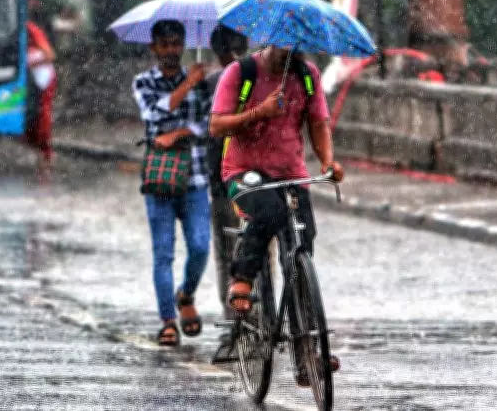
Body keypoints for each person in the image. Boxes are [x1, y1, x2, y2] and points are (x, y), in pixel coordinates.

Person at [209, 45, 344, 386]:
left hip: (291, 172)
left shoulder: (307, 75)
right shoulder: (241, 74)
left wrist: (327, 160)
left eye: (297, 45)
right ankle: (242, 276)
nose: (291, 51)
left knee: (301, 247)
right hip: (244, 172)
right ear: (270, 40)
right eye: (284, 44)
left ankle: (307, 353)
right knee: (268, 212)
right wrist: (259, 112)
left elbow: (318, 122)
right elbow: (217, 126)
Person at [132, 20, 210, 346]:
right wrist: (187, 85)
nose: (171, 50)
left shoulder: (201, 83)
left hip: (195, 177)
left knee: (200, 247)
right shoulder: (143, 82)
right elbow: (155, 115)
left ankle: (186, 293)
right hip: (160, 180)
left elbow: (209, 124)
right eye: (164, 44)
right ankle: (167, 320)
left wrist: (179, 133)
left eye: (176, 43)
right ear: (154, 47)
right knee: (163, 254)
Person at [201, 25, 248, 335]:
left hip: (223, 178)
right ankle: (259, 307)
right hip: (260, 175)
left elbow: (206, 131)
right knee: (256, 247)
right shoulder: (261, 79)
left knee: (227, 248)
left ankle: (233, 313)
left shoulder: (209, 85)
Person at [24, 0, 57, 167]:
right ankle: (40, 147)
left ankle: (45, 151)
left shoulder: (32, 30)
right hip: (33, 79)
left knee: (43, 114)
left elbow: (50, 55)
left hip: (44, 78)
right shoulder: (21, 30)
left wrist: (30, 64)